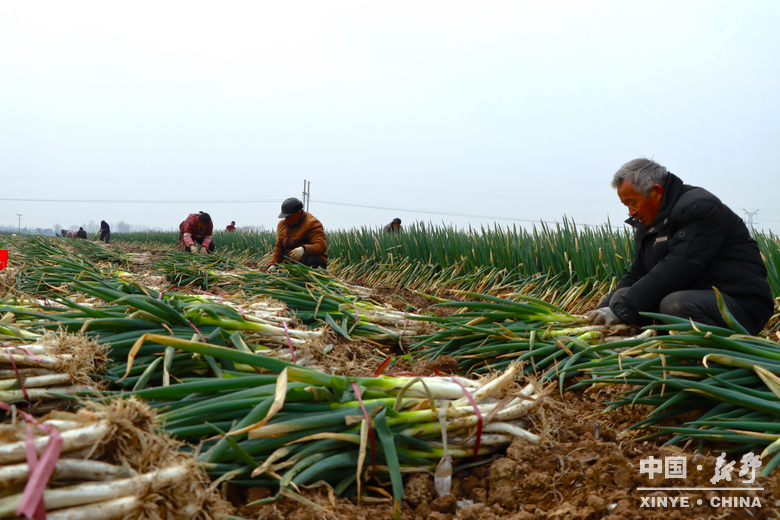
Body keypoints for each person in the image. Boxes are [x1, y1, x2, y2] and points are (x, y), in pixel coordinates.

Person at [586, 158, 773, 335]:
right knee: (622, 295)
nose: (631, 212)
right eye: (626, 205)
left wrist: (623, 309)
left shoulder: (699, 208)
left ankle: (718, 357)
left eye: (632, 203)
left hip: (739, 304)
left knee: (675, 304)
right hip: (695, 295)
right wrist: (602, 311)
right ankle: (664, 349)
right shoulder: (648, 224)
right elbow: (637, 273)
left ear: (656, 192)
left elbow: (678, 268)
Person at [269, 197, 327, 269]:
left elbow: (321, 246)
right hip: (291, 262)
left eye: (288, 216)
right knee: (277, 268)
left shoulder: (312, 223)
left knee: (312, 260)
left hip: (308, 261)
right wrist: (273, 264)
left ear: (298, 213)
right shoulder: (282, 225)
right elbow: (279, 248)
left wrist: (303, 250)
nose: (286, 219)